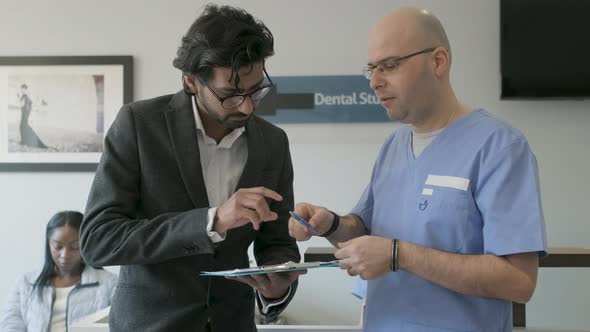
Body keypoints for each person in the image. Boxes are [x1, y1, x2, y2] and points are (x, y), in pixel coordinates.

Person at [289, 7, 546, 332]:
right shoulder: (393, 147)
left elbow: (519, 281)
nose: (375, 82)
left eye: (390, 66)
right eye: (371, 69)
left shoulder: (499, 147)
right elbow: (366, 235)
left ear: (438, 61)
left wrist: (400, 255)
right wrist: (331, 225)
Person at [80, 4, 302, 332]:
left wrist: (278, 285)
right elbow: (99, 239)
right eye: (230, 94)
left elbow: (278, 241)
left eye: (256, 90)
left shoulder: (273, 142)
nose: (248, 105)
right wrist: (211, 221)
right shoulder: (138, 125)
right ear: (191, 81)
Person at [0, 211, 117, 332]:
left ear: (85, 244)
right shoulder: (26, 282)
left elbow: (120, 324)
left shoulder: (109, 283)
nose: (65, 255)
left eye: (75, 247)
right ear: (49, 244)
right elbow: (10, 324)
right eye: (58, 247)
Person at [18, 84, 48, 149]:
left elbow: (24, 104)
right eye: (21, 89)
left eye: (23, 89)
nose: (22, 90)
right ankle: (24, 141)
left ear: (25, 89)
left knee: (23, 126)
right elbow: (25, 104)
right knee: (23, 126)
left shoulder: (26, 96)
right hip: (24, 113)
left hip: (25, 113)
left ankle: (26, 141)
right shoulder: (25, 96)